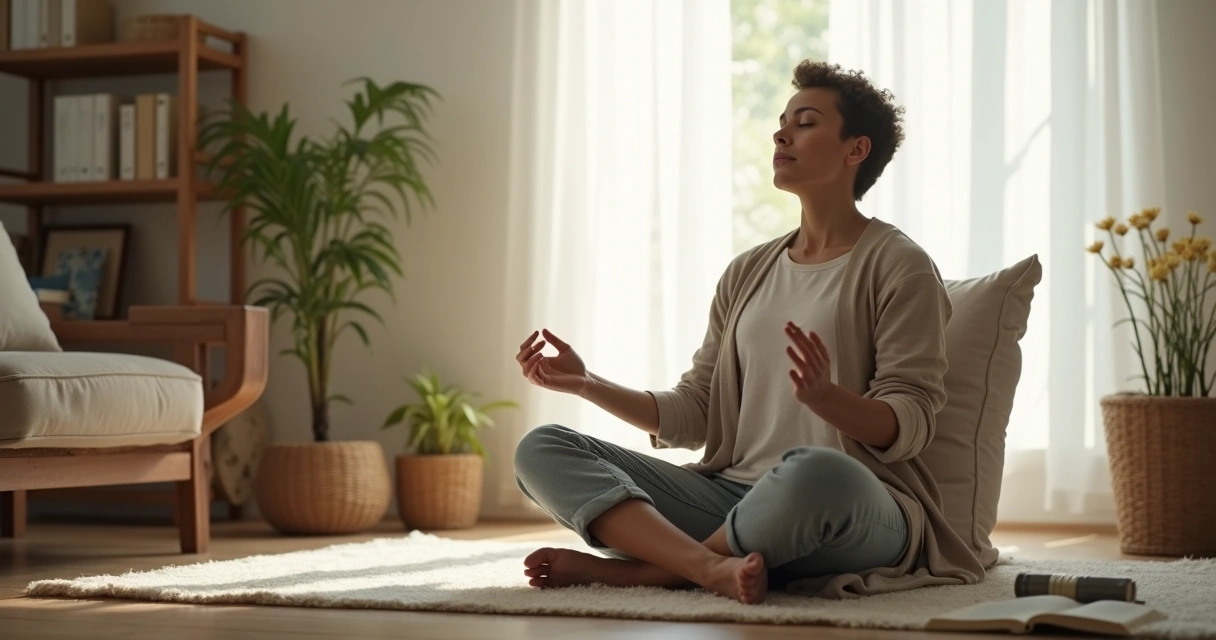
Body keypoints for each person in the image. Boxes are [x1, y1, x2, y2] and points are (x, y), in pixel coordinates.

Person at [511, 60, 985, 605]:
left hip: (855, 504)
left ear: (856, 149)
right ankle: (708, 565)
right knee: (541, 447)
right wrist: (586, 383)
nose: (782, 133)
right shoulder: (748, 271)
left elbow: (912, 422)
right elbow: (696, 410)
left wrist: (826, 398)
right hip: (729, 498)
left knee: (815, 473)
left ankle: (653, 571)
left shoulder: (899, 265)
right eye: (782, 121)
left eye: (805, 122)